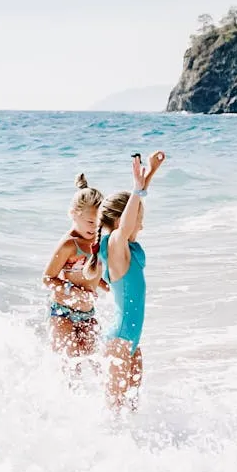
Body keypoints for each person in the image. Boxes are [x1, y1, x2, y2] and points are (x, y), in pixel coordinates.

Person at [84, 151, 165, 410]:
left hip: (131, 343)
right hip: (119, 342)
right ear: (122, 222)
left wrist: (150, 174)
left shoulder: (126, 249)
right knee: (114, 411)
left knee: (130, 410)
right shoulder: (116, 247)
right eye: (138, 221)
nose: (141, 226)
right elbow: (127, 225)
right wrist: (136, 189)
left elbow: (131, 216)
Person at [43, 174, 107, 359]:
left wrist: (108, 286)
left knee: (97, 361)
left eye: (99, 223)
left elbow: (91, 274)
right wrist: (75, 292)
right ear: (74, 214)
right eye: (90, 222)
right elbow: (47, 278)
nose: (95, 228)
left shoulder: (98, 240)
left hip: (87, 312)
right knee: (71, 366)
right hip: (62, 312)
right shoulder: (69, 245)